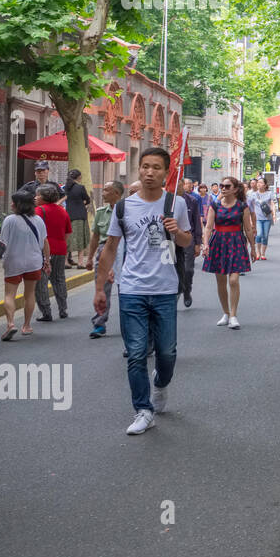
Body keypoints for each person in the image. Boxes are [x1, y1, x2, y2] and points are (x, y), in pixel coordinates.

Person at [94, 147, 193, 436]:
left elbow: (188, 243)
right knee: (136, 353)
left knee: (167, 352)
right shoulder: (124, 207)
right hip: (132, 289)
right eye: (145, 167)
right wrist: (100, 288)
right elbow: (110, 248)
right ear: (139, 169)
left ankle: (161, 383)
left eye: (156, 168)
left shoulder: (177, 204)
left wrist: (178, 232)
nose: (150, 173)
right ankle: (143, 409)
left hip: (164, 289)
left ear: (166, 173)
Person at [202, 176, 255, 329]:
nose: (223, 189)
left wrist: (253, 247)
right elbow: (208, 227)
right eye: (222, 186)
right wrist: (206, 244)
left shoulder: (242, 206)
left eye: (227, 186)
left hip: (236, 243)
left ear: (235, 189)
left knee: (233, 280)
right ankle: (225, 312)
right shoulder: (215, 205)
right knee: (220, 281)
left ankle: (233, 315)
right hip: (218, 243)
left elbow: (248, 228)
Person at [0, 189, 49, 341]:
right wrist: (47, 260)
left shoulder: (9, 220)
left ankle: (10, 324)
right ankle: (27, 326)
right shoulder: (39, 220)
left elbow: (3, 243)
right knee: (29, 294)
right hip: (34, 262)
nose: (11, 204)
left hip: (13, 260)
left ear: (18, 204)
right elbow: (45, 242)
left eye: (13, 201)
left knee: (10, 295)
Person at [88, 181, 124, 338]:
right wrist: (89, 257)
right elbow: (96, 236)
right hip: (104, 250)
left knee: (125, 289)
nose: (102, 193)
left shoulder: (126, 211)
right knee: (102, 288)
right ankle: (99, 323)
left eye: (106, 190)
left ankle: (129, 324)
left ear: (116, 193)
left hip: (123, 250)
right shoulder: (101, 212)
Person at [33, 183, 71, 321]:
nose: (35, 197)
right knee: (59, 279)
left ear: (44, 197)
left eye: (37, 195)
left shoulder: (39, 211)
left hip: (44, 250)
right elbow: (68, 232)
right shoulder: (63, 211)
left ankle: (46, 311)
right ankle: (63, 309)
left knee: (41, 281)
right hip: (61, 249)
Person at [176, 175, 202, 308]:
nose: (181, 186)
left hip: (188, 238)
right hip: (172, 240)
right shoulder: (168, 201)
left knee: (188, 269)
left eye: (182, 184)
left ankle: (187, 291)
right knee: (171, 269)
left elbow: (197, 222)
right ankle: (175, 293)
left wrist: (198, 243)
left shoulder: (192, 201)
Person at [63, 168, 91, 267]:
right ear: (79, 177)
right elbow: (87, 200)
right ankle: (80, 262)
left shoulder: (65, 188)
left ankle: (65, 262)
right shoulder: (80, 188)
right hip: (80, 215)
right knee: (81, 239)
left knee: (67, 239)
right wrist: (83, 202)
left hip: (67, 215)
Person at [248, 176, 275, 261]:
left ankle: (263, 253)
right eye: (258, 182)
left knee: (265, 236)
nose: (258, 184)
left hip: (267, 218)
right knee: (259, 234)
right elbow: (249, 205)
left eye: (261, 183)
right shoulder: (253, 194)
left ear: (265, 185)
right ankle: (258, 252)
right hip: (257, 218)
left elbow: (272, 203)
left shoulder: (269, 193)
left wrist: (274, 213)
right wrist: (249, 218)